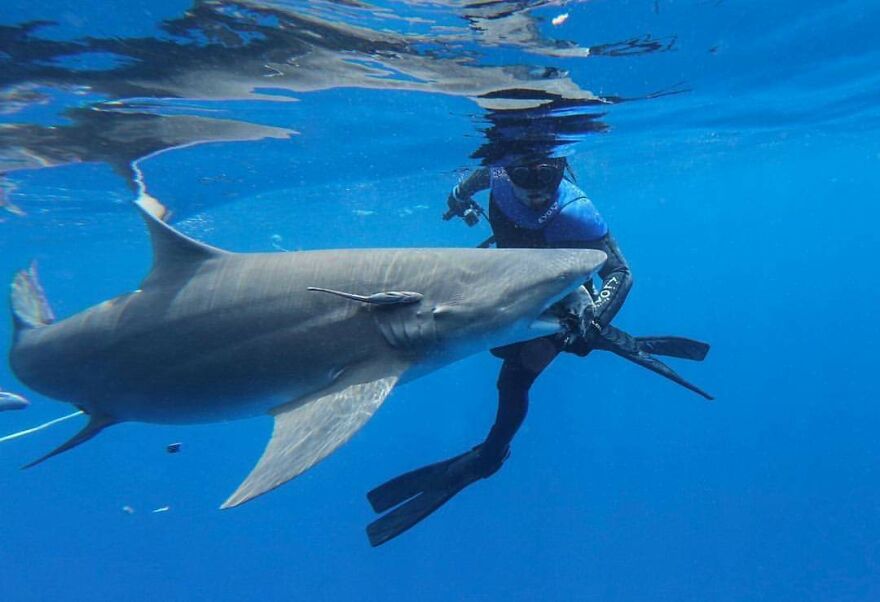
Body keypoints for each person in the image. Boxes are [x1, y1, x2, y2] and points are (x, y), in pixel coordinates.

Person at [365, 158, 709, 547]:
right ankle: (620, 342)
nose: (535, 190)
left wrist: (593, 319)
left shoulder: (576, 212)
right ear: (507, 171)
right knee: (502, 348)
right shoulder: (495, 175)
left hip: (566, 303)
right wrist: (458, 200)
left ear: (560, 171)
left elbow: (621, 272)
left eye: (547, 178)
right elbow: (468, 185)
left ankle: (488, 456)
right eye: (522, 176)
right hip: (514, 292)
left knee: (514, 378)